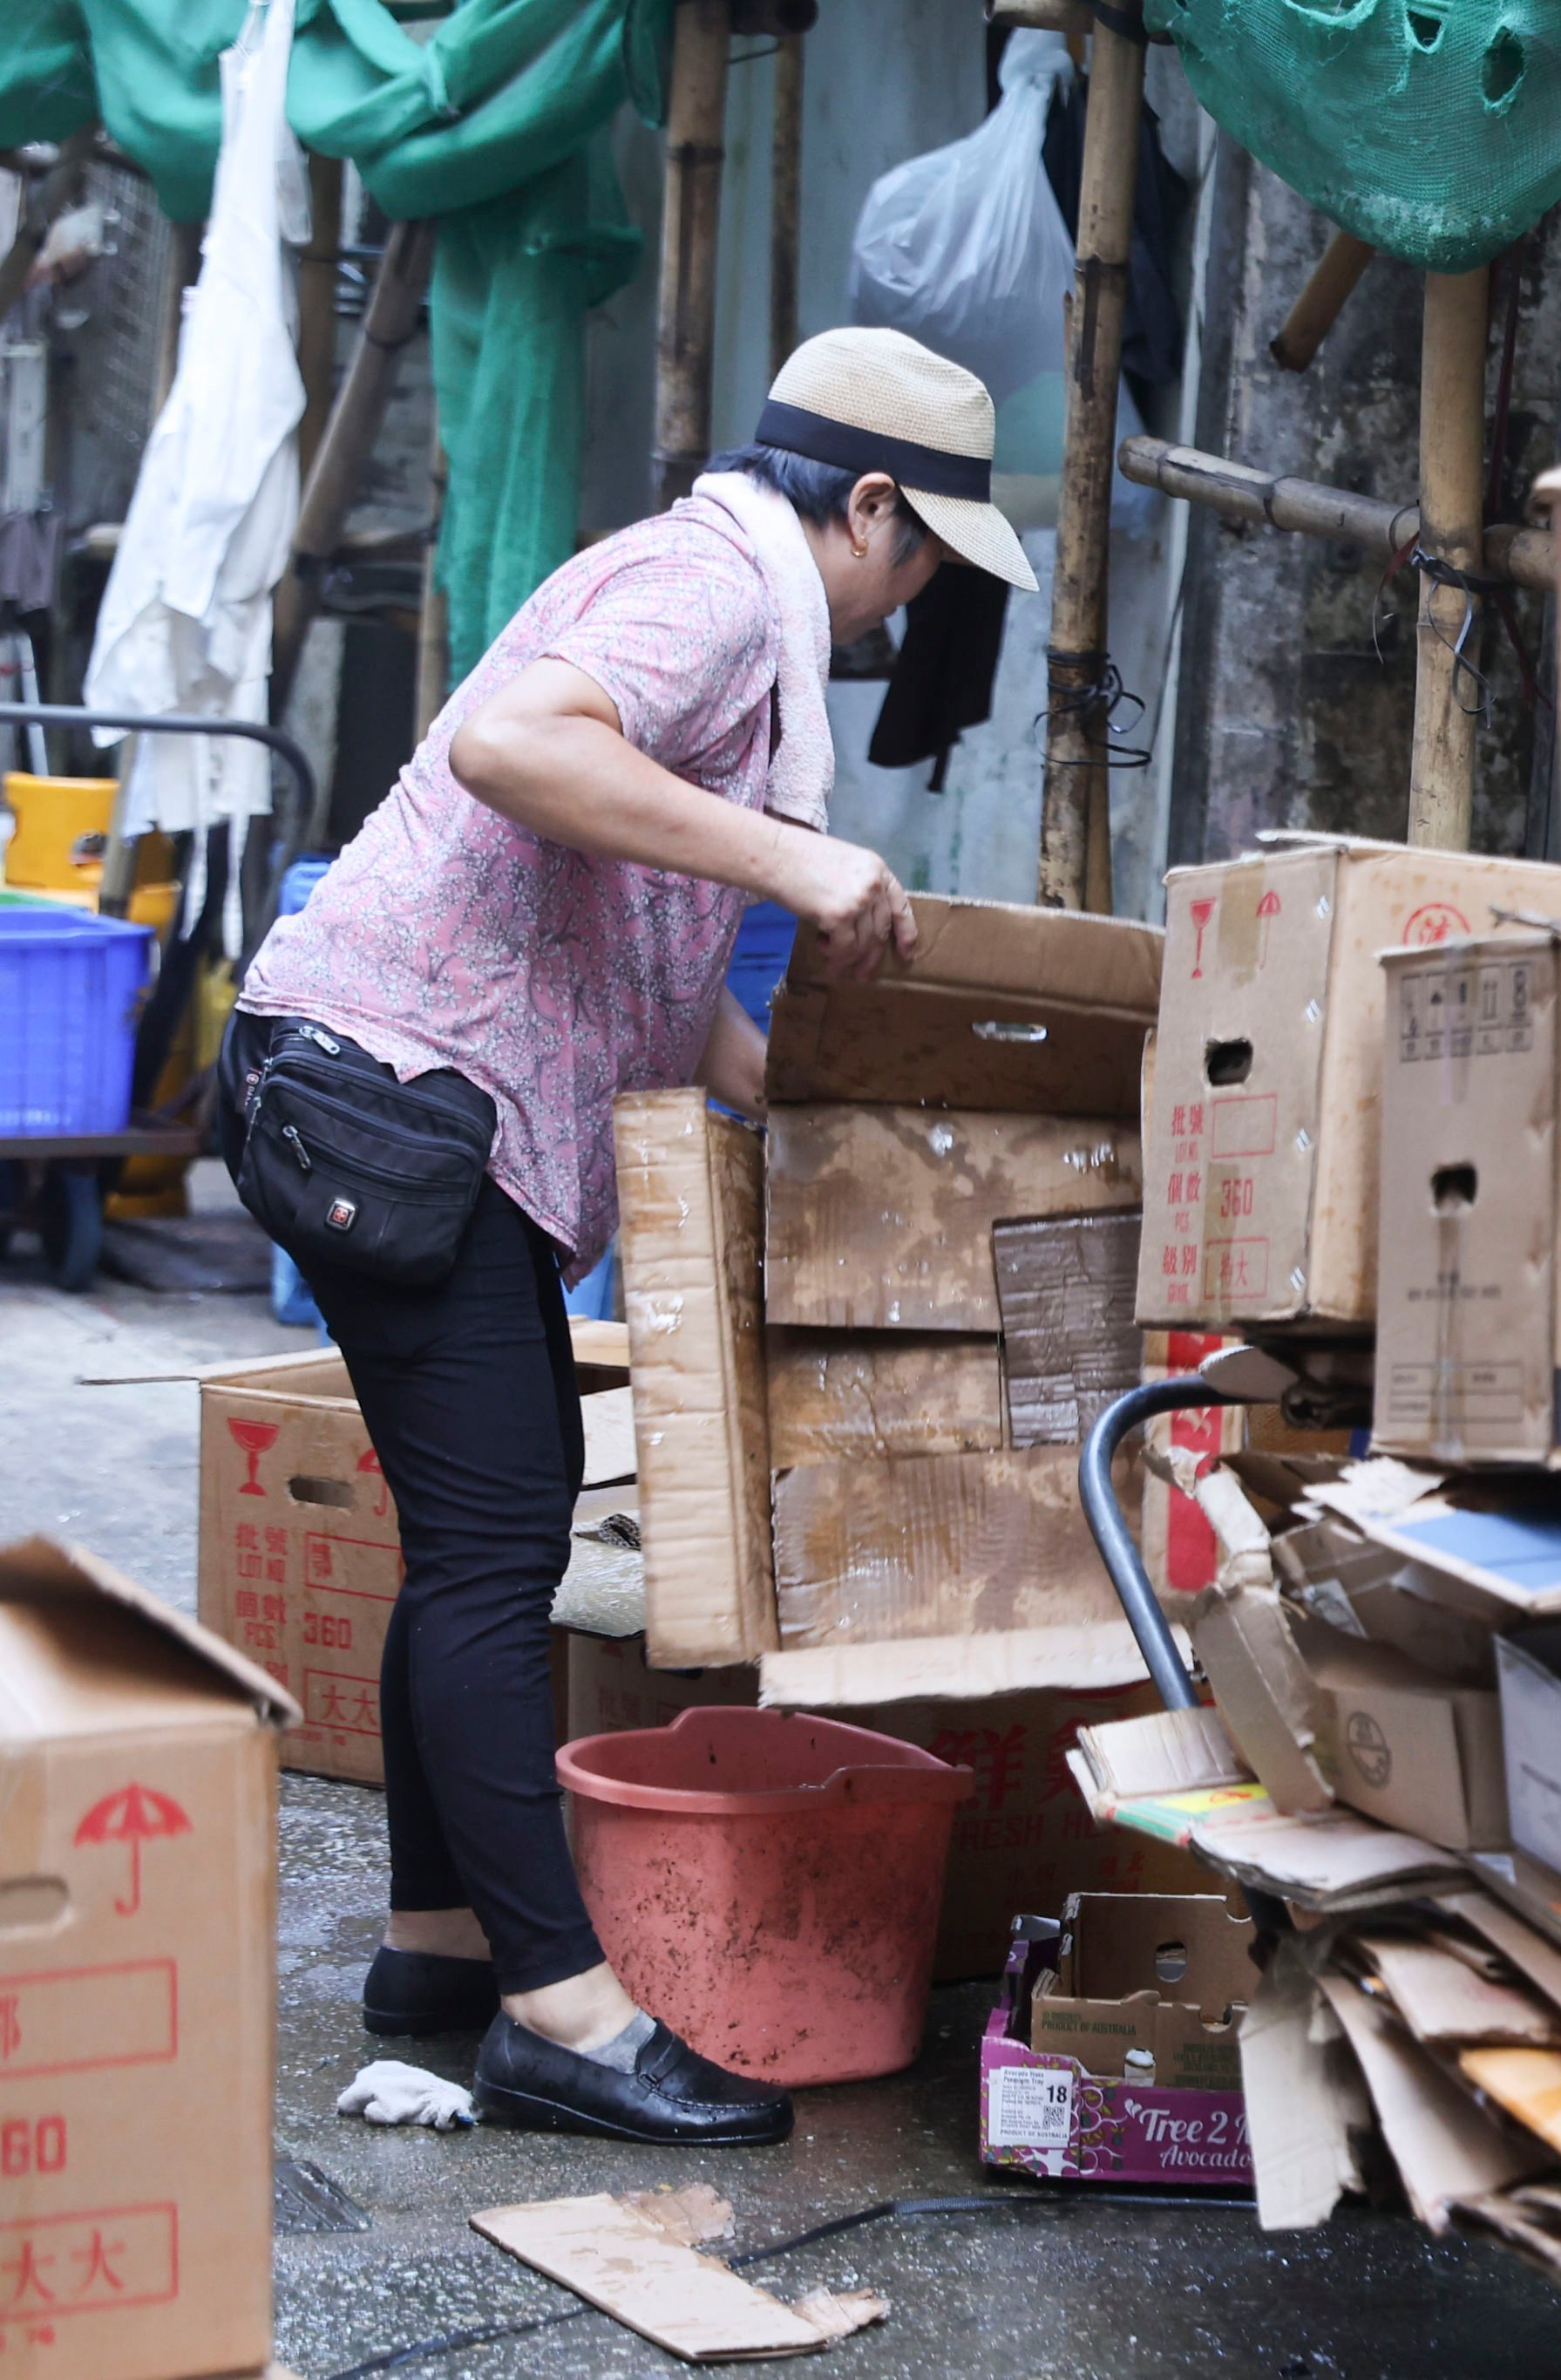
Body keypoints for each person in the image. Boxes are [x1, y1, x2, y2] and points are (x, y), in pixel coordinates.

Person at [224, 330, 1035, 2145]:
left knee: (467, 1549)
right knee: (501, 1555)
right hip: (393, 1094)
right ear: (875, 506)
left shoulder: (723, 608)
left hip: (418, 1106)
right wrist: (791, 866)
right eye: (921, 568)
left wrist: (831, 1122)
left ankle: (438, 1951)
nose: (909, 614)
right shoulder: (710, 588)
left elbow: (660, 989)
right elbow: (514, 742)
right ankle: (563, 2018)